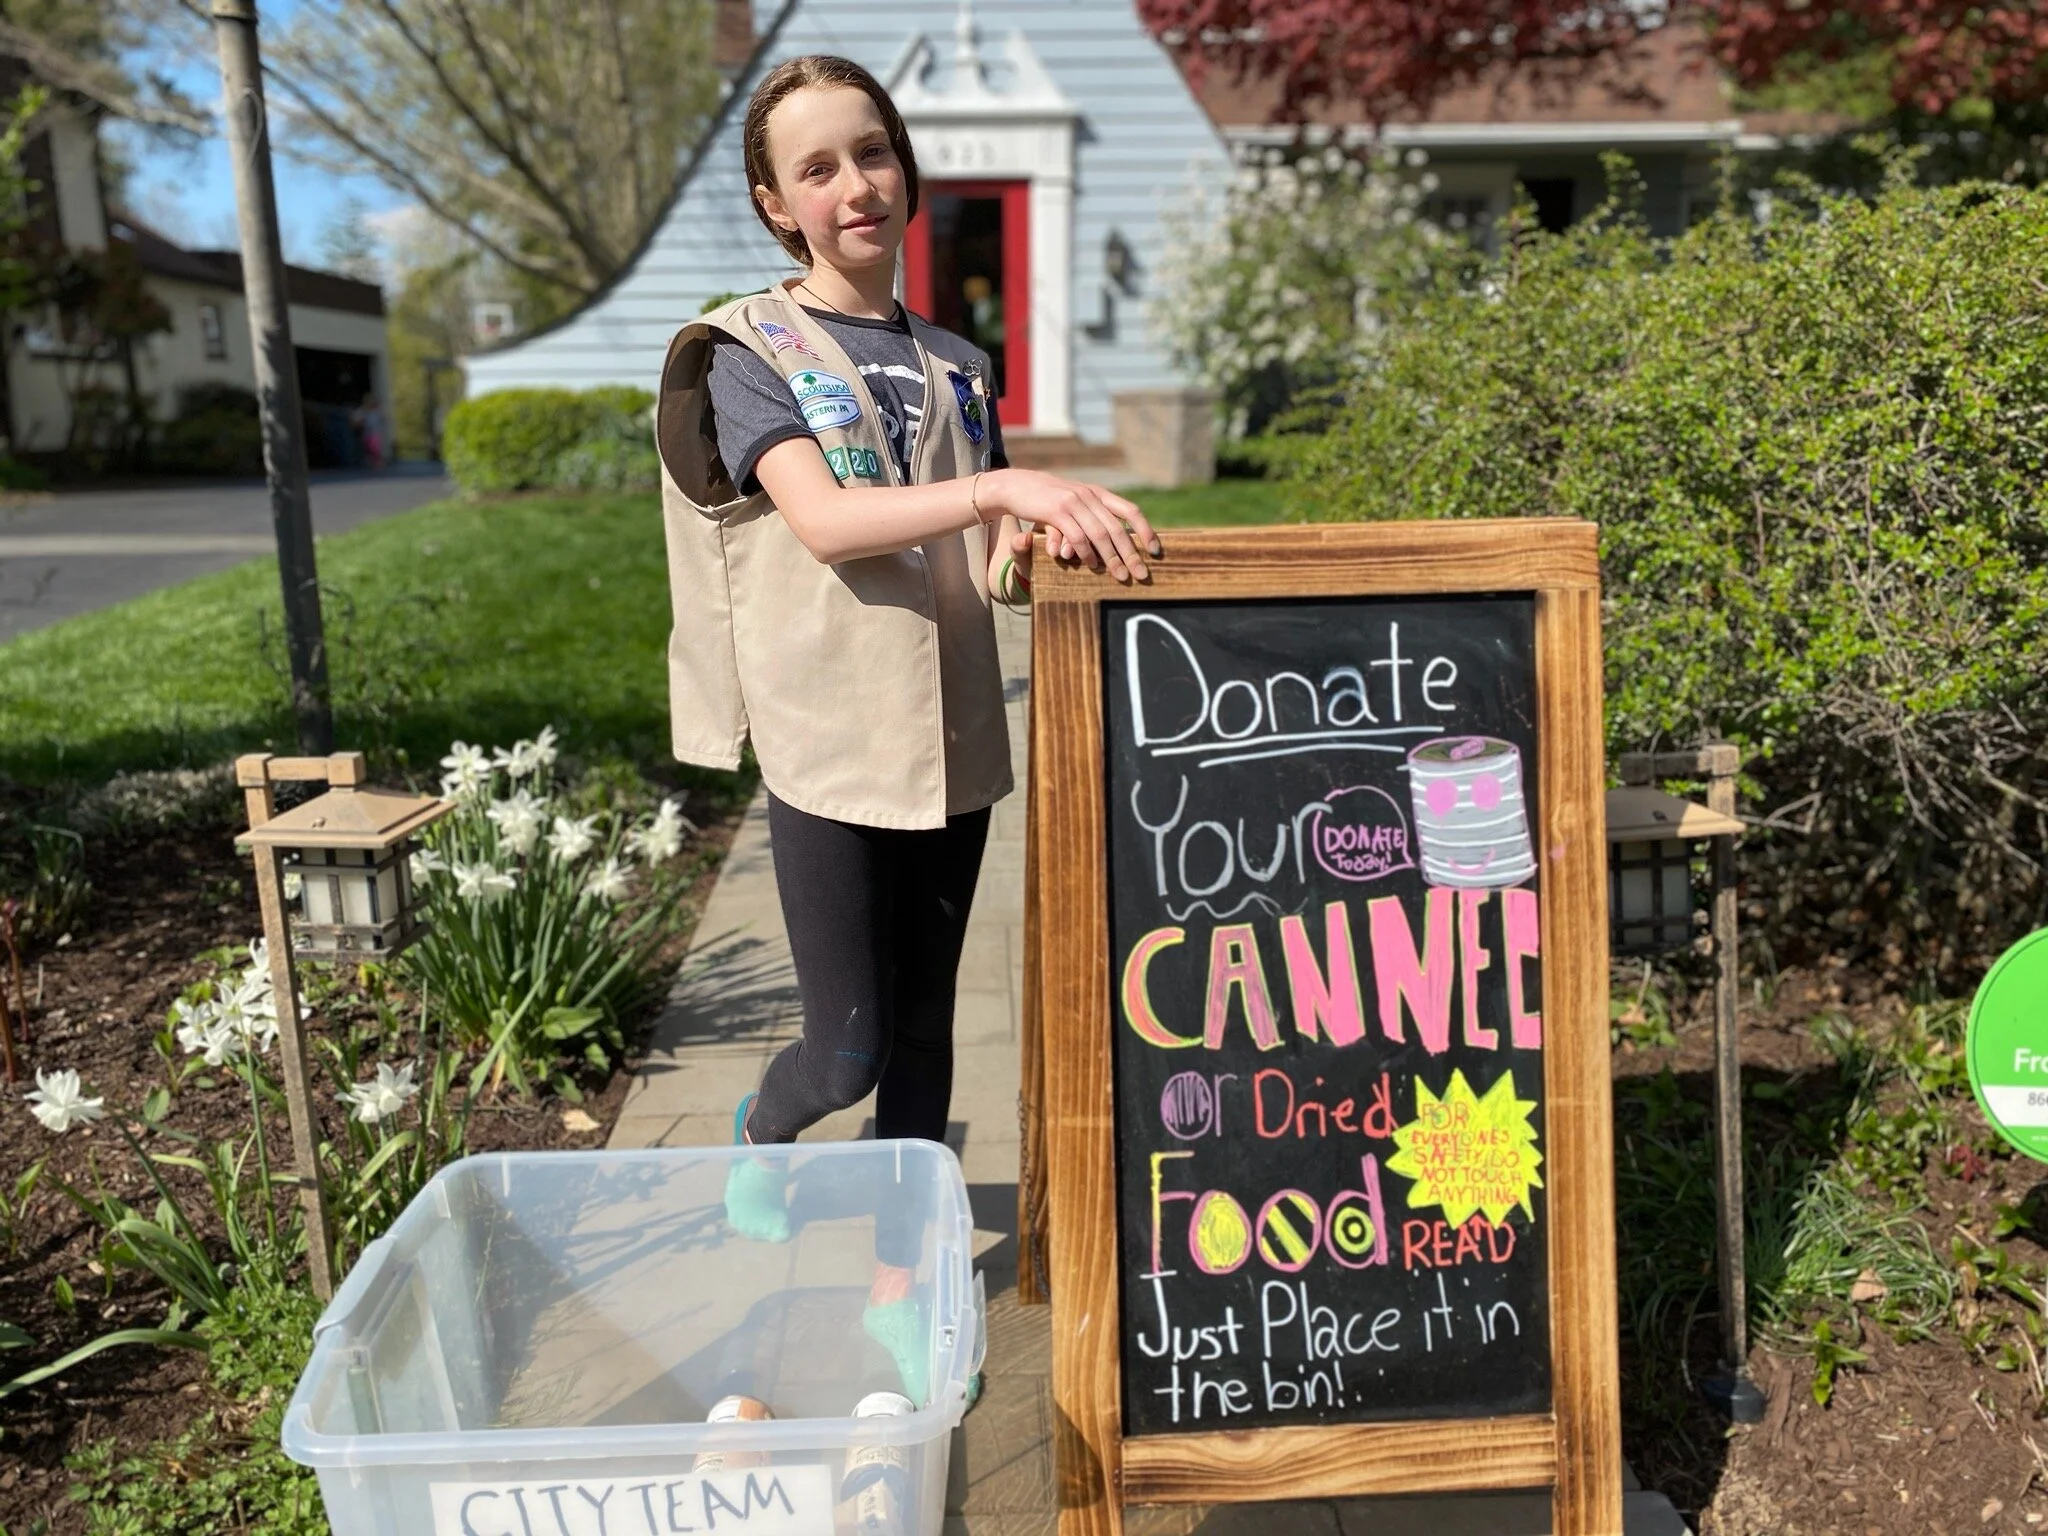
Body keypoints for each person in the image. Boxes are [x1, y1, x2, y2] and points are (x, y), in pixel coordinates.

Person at [654, 53, 1159, 1402]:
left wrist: (1041, 542)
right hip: (834, 741)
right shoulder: (747, 351)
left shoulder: (953, 360)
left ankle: (897, 1281)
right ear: (776, 203)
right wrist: (1008, 481)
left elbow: (975, 554)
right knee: (851, 1045)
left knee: (931, 1036)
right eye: (816, 167)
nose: (855, 184)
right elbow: (824, 523)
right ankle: (765, 1131)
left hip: (956, 740)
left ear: (904, 170)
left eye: (870, 153)